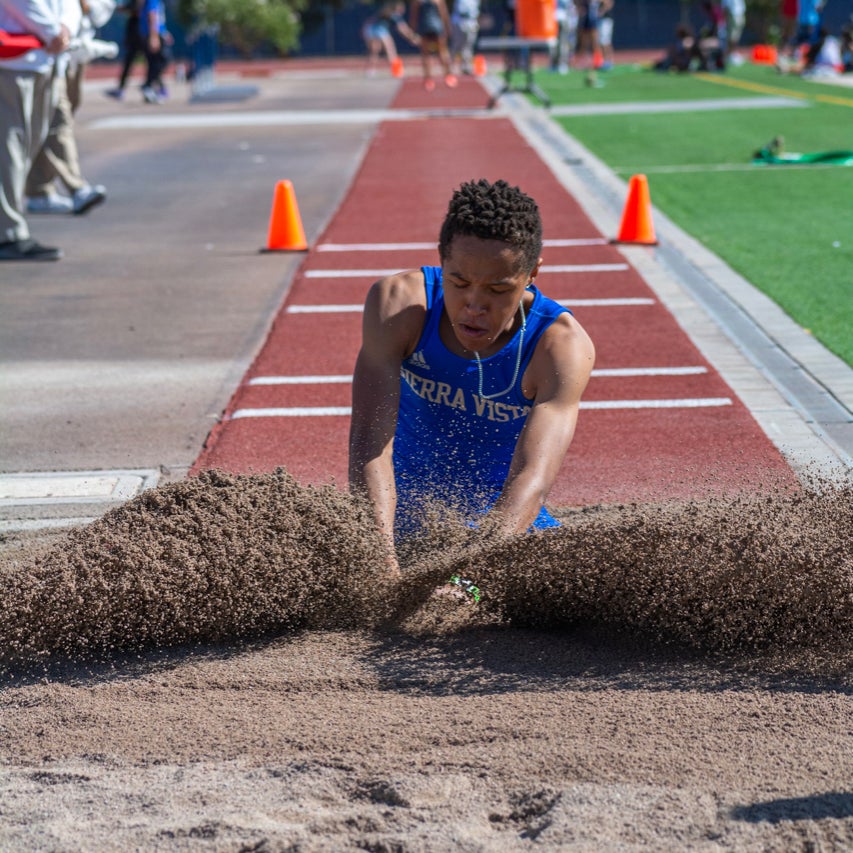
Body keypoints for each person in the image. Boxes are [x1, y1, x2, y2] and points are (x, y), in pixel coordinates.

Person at [348, 179, 596, 576]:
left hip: (502, 534)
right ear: (441, 261)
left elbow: (533, 477)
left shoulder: (560, 347)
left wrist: (472, 576)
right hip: (396, 522)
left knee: (576, 581)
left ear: (532, 273)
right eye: (458, 283)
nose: (474, 305)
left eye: (498, 289)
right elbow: (369, 438)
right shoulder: (400, 305)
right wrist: (379, 554)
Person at [0, 0, 78, 261]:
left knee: (25, 148)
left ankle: (10, 225)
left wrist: (66, 28)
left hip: (45, 58)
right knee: (9, 149)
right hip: (11, 58)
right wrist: (52, 31)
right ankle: (8, 233)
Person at [26, 0, 114, 216]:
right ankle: (77, 188)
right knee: (57, 122)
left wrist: (79, 13)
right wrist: (53, 31)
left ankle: (39, 191)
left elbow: (98, 9)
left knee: (49, 123)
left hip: (71, 50)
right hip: (41, 52)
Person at [361, 0, 420, 77]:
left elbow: (403, 29)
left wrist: (412, 37)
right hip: (378, 30)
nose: (402, 9)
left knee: (375, 50)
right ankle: (396, 71)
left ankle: (371, 70)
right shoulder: (394, 15)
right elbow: (403, 30)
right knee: (389, 50)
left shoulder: (388, 13)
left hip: (373, 29)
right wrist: (413, 38)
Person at [409, 0, 456, 90]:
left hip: (425, 27)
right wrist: (447, 28)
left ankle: (429, 79)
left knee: (427, 54)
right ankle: (447, 75)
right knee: (441, 52)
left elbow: (413, 17)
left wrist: (413, 31)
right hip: (435, 26)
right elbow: (443, 14)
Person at [105, 0, 143, 100]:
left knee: (151, 60)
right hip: (137, 32)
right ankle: (121, 89)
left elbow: (136, 8)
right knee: (130, 61)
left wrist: (123, 8)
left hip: (139, 33)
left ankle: (155, 87)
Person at [139, 0, 170, 103]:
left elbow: (159, 18)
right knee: (161, 61)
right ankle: (148, 86)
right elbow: (152, 15)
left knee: (154, 63)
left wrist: (165, 32)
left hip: (157, 33)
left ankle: (149, 87)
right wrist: (154, 36)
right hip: (152, 34)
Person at [449, 0, 480, 75]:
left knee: (468, 46)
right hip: (459, 20)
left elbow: (476, 10)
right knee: (456, 45)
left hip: (471, 21)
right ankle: (450, 66)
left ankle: (466, 66)